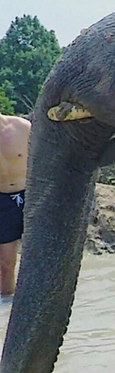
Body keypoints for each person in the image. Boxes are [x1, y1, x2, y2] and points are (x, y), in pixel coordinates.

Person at [0, 113, 31, 299]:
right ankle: (5, 311)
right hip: (2, 202)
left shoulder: (22, 127)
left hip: (29, 195)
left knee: (39, 258)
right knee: (6, 263)